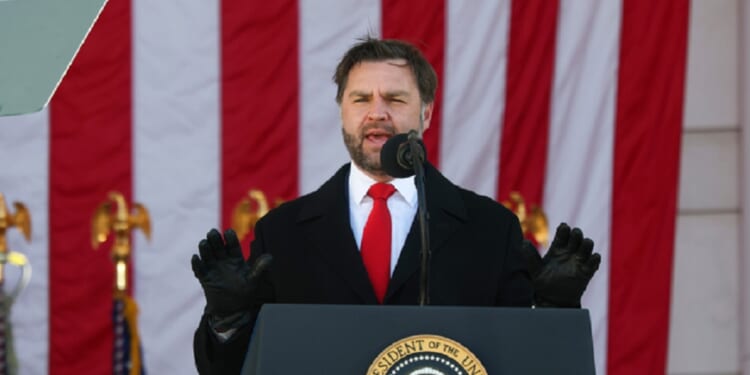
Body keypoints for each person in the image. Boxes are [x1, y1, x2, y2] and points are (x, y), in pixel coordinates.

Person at [190, 37, 600, 374]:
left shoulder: (490, 229)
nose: (377, 113)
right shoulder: (281, 233)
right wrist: (228, 321)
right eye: (361, 99)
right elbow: (239, 369)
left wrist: (553, 313)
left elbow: (524, 361)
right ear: (342, 113)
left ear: (427, 113)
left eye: (396, 99)